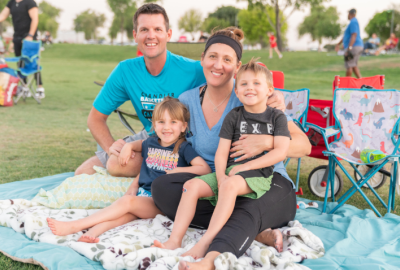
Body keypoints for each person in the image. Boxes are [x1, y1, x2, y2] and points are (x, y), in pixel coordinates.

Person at [151, 27, 311, 270]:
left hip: (268, 182)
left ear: (237, 67)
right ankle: (254, 230)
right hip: (221, 180)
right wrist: (129, 143)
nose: (218, 65)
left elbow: (305, 145)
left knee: (248, 208)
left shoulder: (253, 97)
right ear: (202, 59)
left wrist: (267, 142)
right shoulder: (187, 101)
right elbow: (162, 133)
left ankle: (211, 259)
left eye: (227, 60)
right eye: (213, 56)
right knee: (163, 188)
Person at [75, 3, 287, 177]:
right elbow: (95, 118)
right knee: (83, 172)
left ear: (168, 33)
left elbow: (235, 71)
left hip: (178, 144)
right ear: (135, 35)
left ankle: (149, 177)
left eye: (157, 29)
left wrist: (272, 93)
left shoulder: (193, 69)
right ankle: (143, 177)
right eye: (144, 30)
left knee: (117, 166)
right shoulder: (125, 71)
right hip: (151, 135)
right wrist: (111, 146)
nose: (151, 36)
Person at [46, 97, 211, 243]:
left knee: (127, 203)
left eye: (173, 122)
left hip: (160, 202)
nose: (167, 127)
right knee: (123, 216)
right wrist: (129, 148)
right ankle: (93, 232)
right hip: (142, 196)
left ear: (183, 126)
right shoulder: (150, 143)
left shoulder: (183, 148)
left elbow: (204, 168)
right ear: (154, 125)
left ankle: (74, 226)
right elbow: (144, 165)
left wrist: (178, 171)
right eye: (161, 122)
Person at [0, 0, 45, 99]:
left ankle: (40, 88)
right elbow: (2, 16)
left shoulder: (30, 2)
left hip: (29, 38)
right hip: (17, 37)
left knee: (32, 63)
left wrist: (30, 35)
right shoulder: (11, 3)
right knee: (20, 63)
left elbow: (35, 19)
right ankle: (25, 88)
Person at [335, 8, 364, 78]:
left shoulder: (353, 22)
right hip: (357, 45)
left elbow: (354, 34)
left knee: (349, 66)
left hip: (354, 46)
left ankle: (346, 86)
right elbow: (346, 36)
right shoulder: (353, 22)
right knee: (353, 65)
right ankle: (363, 85)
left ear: (350, 14)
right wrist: (338, 44)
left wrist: (350, 47)